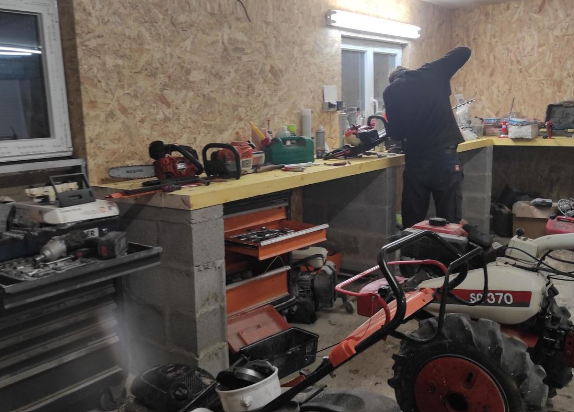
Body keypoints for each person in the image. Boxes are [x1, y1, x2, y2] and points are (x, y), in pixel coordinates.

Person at [383, 47, 472, 229]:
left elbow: (396, 134)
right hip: (445, 158)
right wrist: (437, 66)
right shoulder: (432, 72)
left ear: (393, 80)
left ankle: (413, 248)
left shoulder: (391, 92)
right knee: (450, 223)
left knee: (412, 223)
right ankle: (447, 248)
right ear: (408, 70)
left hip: (416, 161)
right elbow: (465, 51)